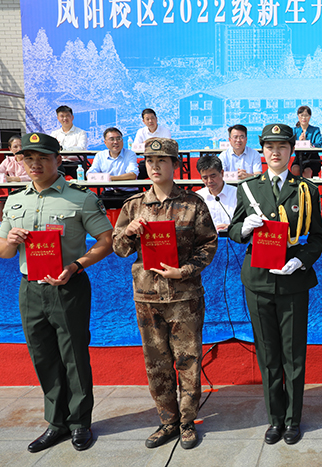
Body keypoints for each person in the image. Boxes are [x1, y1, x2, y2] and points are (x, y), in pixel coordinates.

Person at [0, 132, 113, 453]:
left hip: (68, 286)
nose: (35, 164)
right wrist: (10, 240)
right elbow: (2, 249)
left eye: (43, 158)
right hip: (30, 289)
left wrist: (76, 266)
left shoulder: (80, 198)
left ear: (58, 160)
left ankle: (80, 422)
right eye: (29, 158)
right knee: (43, 355)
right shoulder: (15, 200)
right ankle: (56, 423)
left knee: (74, 356)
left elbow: (106, 241)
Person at [112, 138, 218, 450]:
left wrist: (183, 271)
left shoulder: (193, 204)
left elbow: (208, 245)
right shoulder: (134, 205)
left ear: (175, 165)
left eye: (162, 160)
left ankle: (186, 422)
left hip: (184, 298)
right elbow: (119, 248)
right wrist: (128, 232)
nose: (155, 166)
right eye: (149, 161)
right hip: (147, 298)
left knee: (188, 362)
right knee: (156, 364)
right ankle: (167, 421)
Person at [228, 123, 322, 445]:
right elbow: (233, 230)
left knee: (293, 355)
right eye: (269, 147)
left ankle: (293, 419)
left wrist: (302, 260)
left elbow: (318, 238)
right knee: (268, 355)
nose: (275, 152)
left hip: (293, 281)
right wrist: (245, 227)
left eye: (282, 146)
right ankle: (275, 419)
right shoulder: (248, 188)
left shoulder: (306, 189)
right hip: (258, 281)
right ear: (262, 151)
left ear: (291, 151)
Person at [86, 127, 140, 209]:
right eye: (112, 139)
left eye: (118, 139)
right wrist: (107, 178)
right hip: (109, 193)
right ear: (105, 142)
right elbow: (90, 175)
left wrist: (109, 178)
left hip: (129, 193)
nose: (116, 142)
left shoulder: (130, 154)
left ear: (122, 141)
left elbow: (132, 175)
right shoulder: (100, 155)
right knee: (92, 204)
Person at [195, 155, 237, 233]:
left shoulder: (237, 194)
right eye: (205, 178)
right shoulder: (198, 197)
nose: (209, 181)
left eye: (213, 176)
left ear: (222, 173)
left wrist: (233, 227)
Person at [0, 135, 29, 220]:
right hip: (13, 194)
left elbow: (31, 177)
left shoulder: (31, 160)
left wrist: (12, 179)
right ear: (10, 149)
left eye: (21, 146)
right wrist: (2, 177)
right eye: (15, 147)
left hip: (29, 193)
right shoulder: (8, 160)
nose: (19, 149)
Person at [291, 105, 322, 178]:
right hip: (299, 157)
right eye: (302, 115)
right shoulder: (294, 130)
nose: (304, 118)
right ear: (298, 116)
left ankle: (306, 185)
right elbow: (290, 145)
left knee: (307, 171)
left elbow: (319, 144)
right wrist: (299, 142)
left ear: (310, 117)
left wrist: (308, 143)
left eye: (306, 115)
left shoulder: (315, 130)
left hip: (312, 158)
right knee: (295, 169)